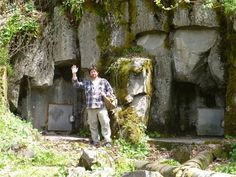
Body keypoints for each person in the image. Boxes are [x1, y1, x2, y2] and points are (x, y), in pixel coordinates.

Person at [71, 64, 113, 147]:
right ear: (89, 74)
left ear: (97, 72)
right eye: (91, 72)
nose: (93, 73)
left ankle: (107, 141)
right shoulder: (87, 83)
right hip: (90, 107)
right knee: (93, 125)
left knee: (105, 122)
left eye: (95, 71)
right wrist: (74, 73)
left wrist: (105, 94)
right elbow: (76, 85)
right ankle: (95, 141)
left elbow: (110, 91)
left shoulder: (103, 81)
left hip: (101, 106)